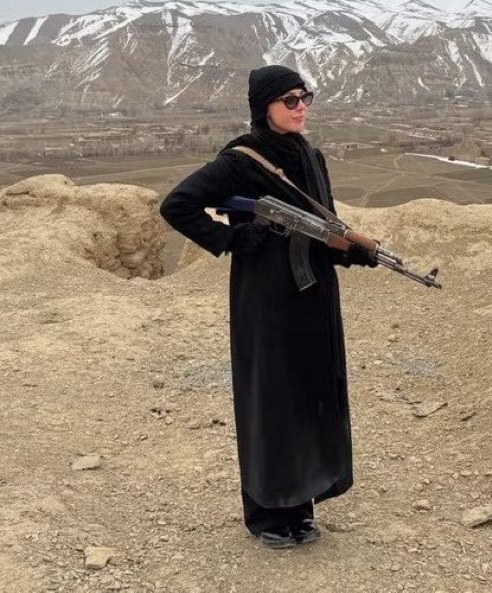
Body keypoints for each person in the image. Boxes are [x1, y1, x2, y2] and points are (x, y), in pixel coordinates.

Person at [159, 65, 377, 549]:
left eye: (305, 98)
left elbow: (323, 225)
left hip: (314, 293)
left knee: (309, 395)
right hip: (266, 298)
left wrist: (353, 252)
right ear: (265, 106)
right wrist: (233, 239)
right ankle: (266, 515)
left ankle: (301, 505)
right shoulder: (240, 160)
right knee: (271, 400)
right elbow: (177, 205)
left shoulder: (311, 156)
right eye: (290, 100)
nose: (301, 108)